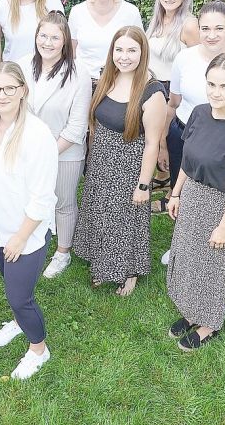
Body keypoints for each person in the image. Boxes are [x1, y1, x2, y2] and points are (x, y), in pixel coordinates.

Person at [165, 54, 225, 351]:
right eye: (211, 84)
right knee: (190, 257)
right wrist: (176, 193)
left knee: (212, 267)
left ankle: (209, 323)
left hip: (220, 205)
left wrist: (224, 226)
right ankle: (191, 311)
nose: (216, 92)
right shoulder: (200, 113)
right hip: (191, 194)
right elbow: (188, 158)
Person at [158, 0, 225, 265]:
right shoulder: (185, 58)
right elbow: (174, 102)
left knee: (217, 200)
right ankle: (180, 243)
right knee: (181, 195)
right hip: (187, 132)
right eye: (205, 28)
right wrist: (161, 143)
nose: (211, 35)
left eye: (218, 28)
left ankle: (217, 243)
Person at [0, 62, 58, 379]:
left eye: (10, 87)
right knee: (11, 283)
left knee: (20, 297)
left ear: (23, 91)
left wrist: (21, 237)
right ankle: (18, 322)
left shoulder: (37, 135)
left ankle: (39, 349)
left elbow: (42, 197)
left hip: (25, 230)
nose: (2, 94)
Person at [72, 27, 167, 295]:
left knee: (125, 219)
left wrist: (144, 185)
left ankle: (129, 271)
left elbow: (152, 144)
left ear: (142, 53)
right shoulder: (108, 77)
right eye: (119, 50)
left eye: (132, 50)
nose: (124, 57)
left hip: (130, 165)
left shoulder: (152, 92)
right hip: (102, 159)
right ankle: (103, 263)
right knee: (101, 213)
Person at [15, 11, 91, 278]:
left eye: (54, 37)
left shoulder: (79, 73)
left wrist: (48, 153)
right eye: (43, 35)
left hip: (65, 150)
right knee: (30, 197)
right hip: (26, 148)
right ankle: (31, 239)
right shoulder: (23, 65)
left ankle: (63, 252)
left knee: (63, 202)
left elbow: (77, 126)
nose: (47, 42)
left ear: (65, 41)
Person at [146, 0, 197, 193]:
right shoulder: (157, 20)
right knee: (151, 140)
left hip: (172, 92)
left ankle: (173, 192)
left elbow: (198, 64)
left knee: (167, 141)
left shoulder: (189, 25)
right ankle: (159, 179)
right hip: (151, 88)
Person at [68, 0, 144, 81]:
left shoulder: (130, 12)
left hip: (119, 81)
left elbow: (141, 50)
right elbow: (71, 52)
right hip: (83, 82)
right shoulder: (77, 12)